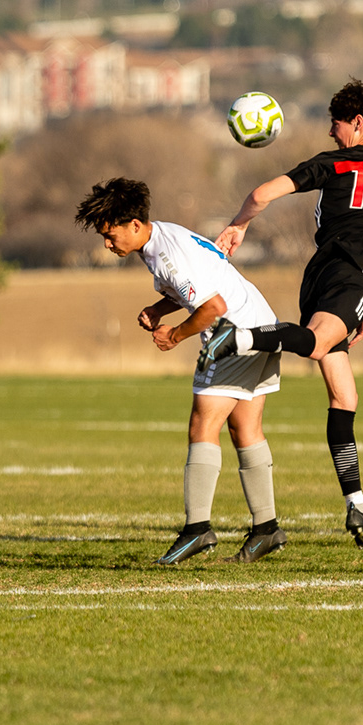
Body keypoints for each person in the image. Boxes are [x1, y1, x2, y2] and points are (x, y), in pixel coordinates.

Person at [211, 79, 363, 552]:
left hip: (324, 272)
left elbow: (262, 193)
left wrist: (239, 224)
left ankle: (357, 506)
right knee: (319, 344)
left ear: (358, 122)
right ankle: (239, 338)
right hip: (354, 276)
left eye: (336, 123)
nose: (332, 132)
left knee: (344, 397)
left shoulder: (335, 162)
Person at [75, 177, 288, 565]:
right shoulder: (165, 235)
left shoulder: (166, 255)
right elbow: (200, 285)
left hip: (233, 334)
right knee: (245, 428)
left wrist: (174, 335)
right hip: (261, 324)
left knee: (202, 424)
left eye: (109, 235)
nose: (107, 244)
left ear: (134, 225)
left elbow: (213, 306)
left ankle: (197, 529)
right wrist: (159, 309)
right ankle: (267, 528)